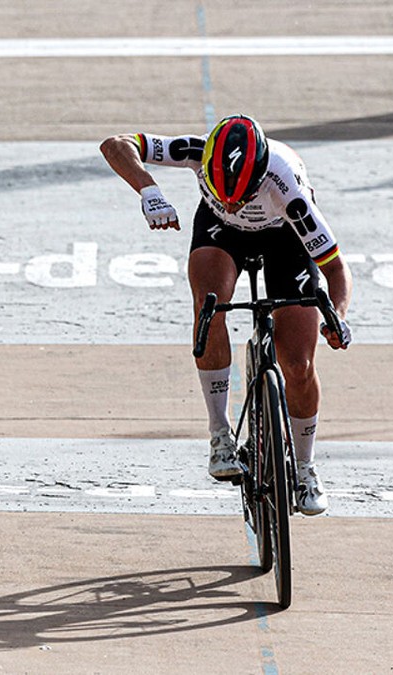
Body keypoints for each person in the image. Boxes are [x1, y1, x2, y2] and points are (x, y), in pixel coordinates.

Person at [100, 114, 352, 515]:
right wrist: (149, 190)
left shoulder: (289, 191)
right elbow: (117, 144)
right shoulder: (197, 150)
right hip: (221, 233)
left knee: (299, 364)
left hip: (285, 236)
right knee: (210, 306)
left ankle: (305, 467)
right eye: (224, 194)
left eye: (241, 196)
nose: (233, 202)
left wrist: (337, 315)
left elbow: (335, 269)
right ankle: (220, 433)